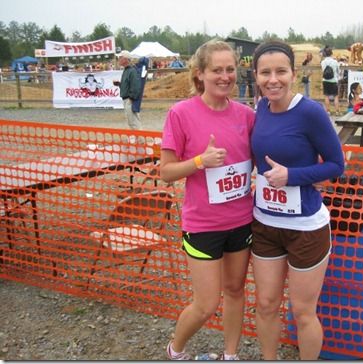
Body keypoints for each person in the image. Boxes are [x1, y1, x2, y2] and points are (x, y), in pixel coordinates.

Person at [160, 40, 255, 361]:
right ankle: (176, 349)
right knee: (206, 304)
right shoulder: (181, 113)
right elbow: (166, 172)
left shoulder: (246, 115)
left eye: (230, 69)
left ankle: (230, 355)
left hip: (241, 222)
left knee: (235, 291)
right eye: (217, 70)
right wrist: (200, 161)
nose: (225, 76)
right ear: (200, 74)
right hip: (203, 226)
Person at [250, 40, 345, 360]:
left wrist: (292, 176)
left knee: (303, 311)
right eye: (265, 72)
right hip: (264, 224)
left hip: (305, 227)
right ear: (256, 76)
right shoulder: (260, 107)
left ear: (293, 73)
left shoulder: (311, 112)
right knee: (265, 305)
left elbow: (336, 165)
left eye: (280, 71)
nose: (272, 79)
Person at [114, 50, 142, 130]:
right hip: (127, 99)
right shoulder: (127, 70)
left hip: (129, 99)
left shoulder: (131, 71)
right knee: (131, 121)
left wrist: (131, 98)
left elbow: (136, 86)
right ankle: (137, 138)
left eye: (120, 57)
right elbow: (131, 85)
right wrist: (119, 84)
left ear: (125, 59)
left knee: (133, 121)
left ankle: (140, 139)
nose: (118, 59)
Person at [320, 47, 341, 115]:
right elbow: (339, 71)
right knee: (336, 96)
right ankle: (337, 111)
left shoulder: (323, 62)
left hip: (325, 80)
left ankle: (328, 111)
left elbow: (323, 70)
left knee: (326, 96)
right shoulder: (335, 62)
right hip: (333, 81)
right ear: (331, 53)